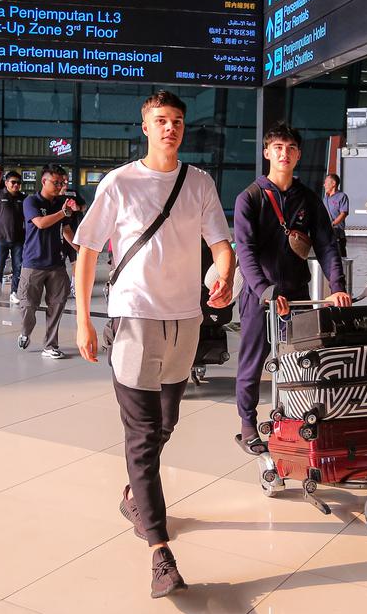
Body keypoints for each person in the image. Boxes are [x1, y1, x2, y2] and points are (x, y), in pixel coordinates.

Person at [73, 91, 235, 598]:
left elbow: (220, 245)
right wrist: (84, 321)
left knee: (166, 423)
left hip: (185, 320)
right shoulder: (119, 183)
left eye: (177, 121)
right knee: (142, 436)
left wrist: (223, 274)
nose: (170, 128)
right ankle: (160, 554)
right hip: (135, 319)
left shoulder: (200, 182)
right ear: (144, 127)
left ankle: (133, 497)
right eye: (161, 121)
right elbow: (87, 251)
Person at [235, 123, 349, 454]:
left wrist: (337, 287)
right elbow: (245, 251)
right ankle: (247, 424)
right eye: (278, 147)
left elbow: (328, 247)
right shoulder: (250, 198)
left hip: (297, 297)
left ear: (298, 155)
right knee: (252, 362)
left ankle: (296, 421)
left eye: (291, 148)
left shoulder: (309, 200)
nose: (284, 153)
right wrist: (264, 290)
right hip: (260, 297)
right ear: (267, 153)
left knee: (300, 362)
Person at [19, 165, 77, 358]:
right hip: (33, 263)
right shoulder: (31, 201)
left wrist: (79, 247)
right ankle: (25, 332)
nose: (60, 186)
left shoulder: (61, 203)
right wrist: (63, 212)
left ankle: (50, 345)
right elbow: (40, 223)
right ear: (44, 181)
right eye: (56, 182)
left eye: (62, 183)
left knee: (57, 304)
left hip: (56, 263)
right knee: (28, 305)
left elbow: (66, 229)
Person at [0, 171, 26, 303]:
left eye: (18, 183)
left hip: (18, 239)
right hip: (1, 238)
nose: (16, 185)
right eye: (13, 182)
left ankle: (14, 292)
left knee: (18, 266)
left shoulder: (23, 198)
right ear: (6, 183)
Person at [323, 172, 349, 256]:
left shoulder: (342, 196)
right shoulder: (325, 198)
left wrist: (333, 224)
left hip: (338, 233)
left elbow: (343, 213)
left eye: (326, 182)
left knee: (340, 258)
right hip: (326, 233)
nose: (324, 185)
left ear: (333, 183)